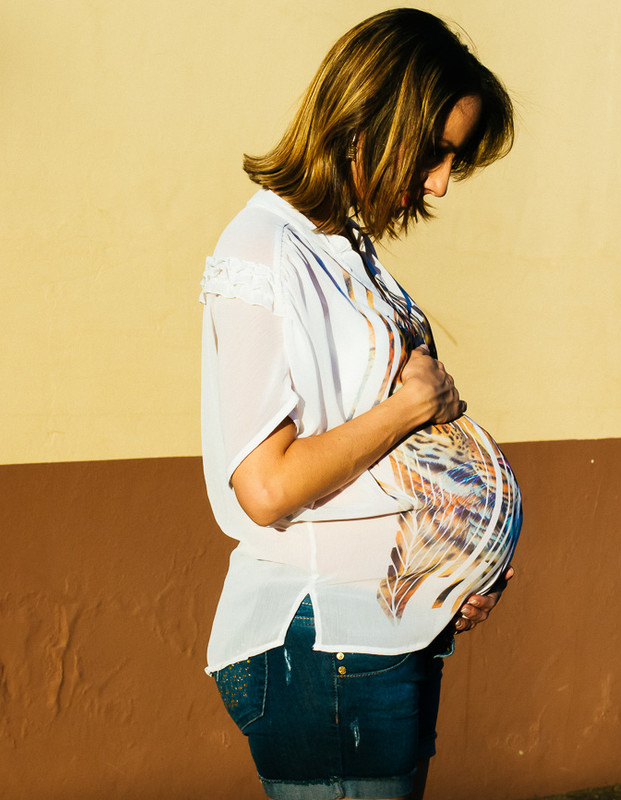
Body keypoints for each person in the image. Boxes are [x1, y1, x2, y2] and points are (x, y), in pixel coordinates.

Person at [199, 9, 521, 800]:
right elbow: (266, 485)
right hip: (326, 641)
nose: (440, 183)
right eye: (436, 151)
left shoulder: (342, 250)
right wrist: (410, 407)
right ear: (370, 119)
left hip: (377, 632)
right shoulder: (264, 252)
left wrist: (454, 564)